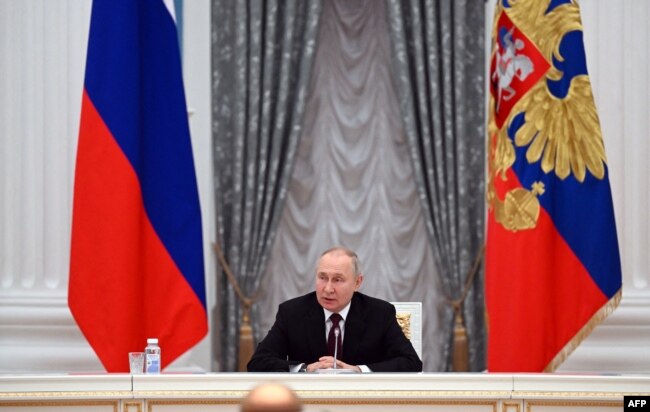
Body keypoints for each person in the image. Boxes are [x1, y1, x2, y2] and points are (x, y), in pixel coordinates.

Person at [247, 246, 422, 373]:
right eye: (322, 278)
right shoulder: (292, 312)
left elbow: (411, 362)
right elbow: (258, 362)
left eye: (338, 280)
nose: (328, 288)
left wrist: (358, 371)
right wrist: (305, 368)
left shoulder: (380, 313)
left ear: (357, 282)